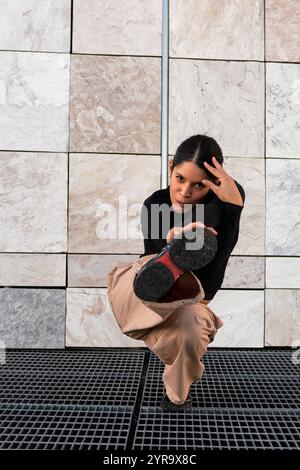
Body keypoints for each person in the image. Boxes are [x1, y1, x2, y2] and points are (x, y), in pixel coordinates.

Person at [106, 134, 245, 411]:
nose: (184, 192)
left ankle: (176, 397)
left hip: (191, 299)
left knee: (191, 329)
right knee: (143, 275)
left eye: (198, 185)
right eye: (179, 178)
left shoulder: (222, 208)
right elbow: (149, 259)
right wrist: (169, 243)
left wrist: (234, 206)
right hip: (146, 294)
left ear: (216, 184)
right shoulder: (155, 204)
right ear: (170, 167)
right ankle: (172, 254)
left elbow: (220, 256)